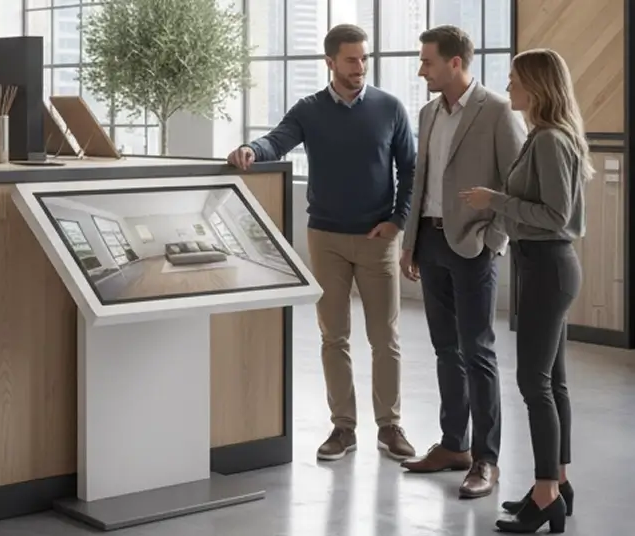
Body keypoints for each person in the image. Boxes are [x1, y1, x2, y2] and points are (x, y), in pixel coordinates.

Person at [229, 24, 417, 462]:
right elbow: (276, 140)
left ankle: (390, 427)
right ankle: (343, 428)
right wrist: (250, 149)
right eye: (351, 59)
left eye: (364, 59)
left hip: (377, 239)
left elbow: (409, 169)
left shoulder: (389, 108)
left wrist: (397, 222)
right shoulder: (309, 110)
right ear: (330, 62)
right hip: (326, 237)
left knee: (384, 337)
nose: (360, 67)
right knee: (334, 337)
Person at [457, 48, 588, 534]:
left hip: (546, 266)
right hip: (545, 265)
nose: (508, 86)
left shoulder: (551, 140)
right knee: (552, 382)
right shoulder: (546, 136)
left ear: (535, 86)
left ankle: (545, 493)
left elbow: (555, 216)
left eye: (514, 80)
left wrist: (495, 200)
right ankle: (558, 483)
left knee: (534, 384)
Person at [397, 25, 527, 502]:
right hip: (429, 243)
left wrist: (494, 240)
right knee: (444, 349)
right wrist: (409, 243)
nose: (421, 70)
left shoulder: (495, 111)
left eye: (427, 62)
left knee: (478, 352)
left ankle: (486, 458)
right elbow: (421, 182)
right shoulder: (429, 111)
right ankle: (454, 445)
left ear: (455, 63)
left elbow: (516, 185)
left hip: (473, 246)